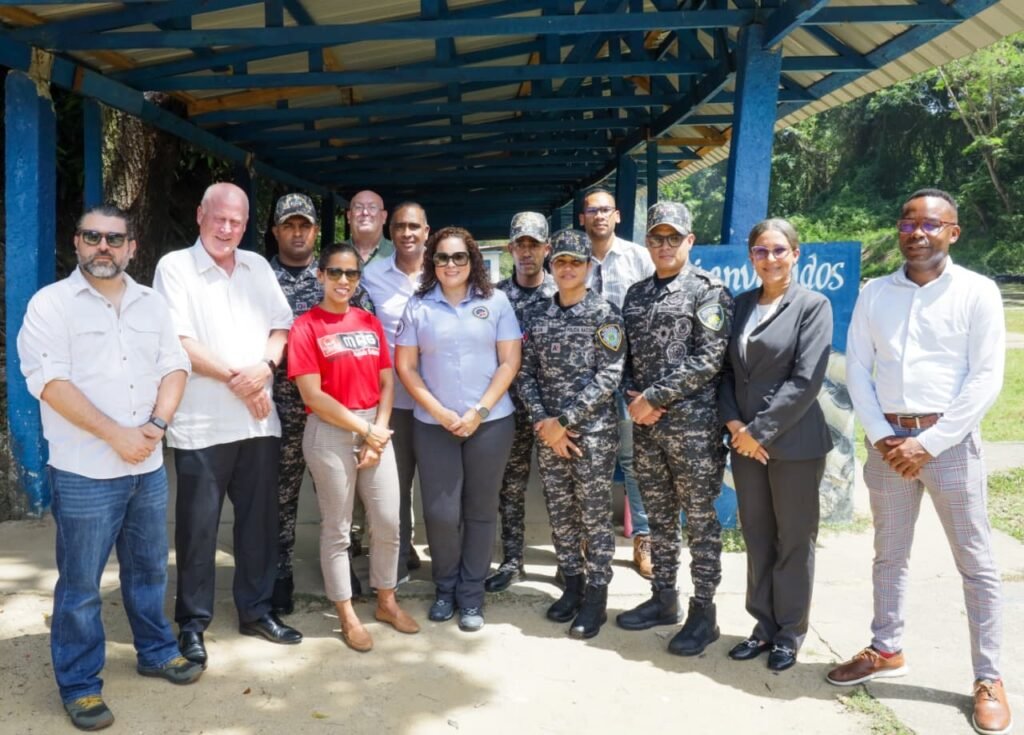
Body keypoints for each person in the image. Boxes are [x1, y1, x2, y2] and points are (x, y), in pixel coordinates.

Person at [826, 189, 1011, 735]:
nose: (916, 232)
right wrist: (885, 436)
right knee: (890, 555)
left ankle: (989, 677)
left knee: (976, 564)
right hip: (887, 446)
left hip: (950, 445)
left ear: (953, 232)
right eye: (907, 222)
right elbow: (857, 367)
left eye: (930, 224)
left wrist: (929, 442)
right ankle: (886, 648)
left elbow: (986, 378)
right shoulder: (874, 292)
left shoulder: (977, 291)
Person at [17, 205, 202, 731]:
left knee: (148, 570)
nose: (104, 246)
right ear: (76, 242)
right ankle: (79, 683)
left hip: (146, 464)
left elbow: (175, 365)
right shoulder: (50, 305)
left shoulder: (152, 304)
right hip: (84, 472)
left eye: (114, 239)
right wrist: (117, 435)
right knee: (80, 586)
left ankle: (156, 651)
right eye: (93, 237)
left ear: (131, 248)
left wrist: (157, 425)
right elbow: (49, 382)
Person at [154, 182, 302, 671]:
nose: (227, 228)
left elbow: (282, 326)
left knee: (259, 522)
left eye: (236, 221)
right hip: (201, 423)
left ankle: (256, 610)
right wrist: (239, 379)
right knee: (197, 528)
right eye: (219, 218)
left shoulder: (257, 266)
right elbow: (177, 340)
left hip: (258, 421)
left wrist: (265, 364)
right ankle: (192, 623)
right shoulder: (174, 267)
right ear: (200, 214)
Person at [289, 243, 419, 652]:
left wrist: (377, 431)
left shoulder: (368, 321)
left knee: (387, 521)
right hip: (329, 432)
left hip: (372, 428)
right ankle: (346, 613)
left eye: (352, 274)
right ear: (320, 276)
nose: (343, 280)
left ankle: (386, 600)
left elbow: (386, 382)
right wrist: (365, 430)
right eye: (335, 272)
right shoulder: (305, 326)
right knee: (338, 529)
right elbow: (313, 394)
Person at [616, 201, 732, 657]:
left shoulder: (709, 292)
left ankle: (704, 613)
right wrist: (632, 398)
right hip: (646, 428)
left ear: (689, 241)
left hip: (693, 430)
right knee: (659, 518)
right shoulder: (636, 294)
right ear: (648, 243)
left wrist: (652, 399)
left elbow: (709, 358)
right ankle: (664, 597)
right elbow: (624, 357)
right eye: (656, 237)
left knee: (700, 522)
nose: (664, 245)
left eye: (673, 237)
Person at [718, 218, 833, 672]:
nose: (770, 259)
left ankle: (789, 633)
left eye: (779, 250)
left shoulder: (812, 305)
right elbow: (727, 373)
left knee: (794, 542)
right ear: (751, 257)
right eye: (762, 251)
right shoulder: (741, 304)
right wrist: (733, 426)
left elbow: (806, 380)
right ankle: (762, 627)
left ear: (795, 254)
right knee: (758, 537)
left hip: (795, 445)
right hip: (745, 445)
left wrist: (756, 433)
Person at [395, 226, 521, 632]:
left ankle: (471, 595)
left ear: (473, 261)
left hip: (490, 423)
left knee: (480, 511)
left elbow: (509, 362)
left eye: (459, 257)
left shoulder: (496, 302)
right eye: (443, 257)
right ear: (432, 262)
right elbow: (406, 367)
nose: (451, 265)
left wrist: (478, 411)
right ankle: (444, 587)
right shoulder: (419, 306)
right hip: (434, 424)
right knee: (440, 511)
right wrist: (440, 411)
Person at [268, 193, 373, 613]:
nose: (297, 232)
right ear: (276, 230)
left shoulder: (336, 276)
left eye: (304, 225)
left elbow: (364, 336)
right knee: (280, 495)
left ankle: (342, 568)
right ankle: (279, 572)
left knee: (339, 497)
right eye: (289, 225)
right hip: (280, 409)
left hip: (332, 411)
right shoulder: (258, 277)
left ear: (315, 231)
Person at [517, 229, 625, 639]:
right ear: (551, 265)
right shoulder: (539, 316)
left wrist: (565, 421)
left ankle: (596, 596)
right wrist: (545, 422)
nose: (566, 269)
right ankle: (573, 584)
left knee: (594, 517)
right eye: (560, 261)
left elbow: (609, 376)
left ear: (588, 266)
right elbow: (525, 374)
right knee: (561, 514)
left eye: (575, 262)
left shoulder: (604, 314)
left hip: (591, 435)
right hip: (549, 435)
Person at [579, 187, 655, 578]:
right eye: (592, 211)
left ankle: (643, 538)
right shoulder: (574, 260)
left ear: (618, 215)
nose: (599, 216)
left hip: (629, 377)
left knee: (633, 460)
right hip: (586, 379)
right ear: (582, 218)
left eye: (606, 209)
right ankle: (590, 539)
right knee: (591, 459)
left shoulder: (639, 258)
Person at [485, 212, 557, 593]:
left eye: (534, 244)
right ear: (510, 248)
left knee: (559, 487)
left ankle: (569, 562)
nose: (527, 252)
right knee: (509, 487)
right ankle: (513, 560)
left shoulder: (562, 290)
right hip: (508, 408)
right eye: (520, 244)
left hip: (552, 411)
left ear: (547, 248)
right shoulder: (495, 296)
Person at [362, 202, 431, 581]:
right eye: (401, 227)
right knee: (395, 488)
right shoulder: (373, 275)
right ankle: (399, 561)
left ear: (426, 231)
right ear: (392, 233)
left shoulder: (444, 271)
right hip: (394, 402)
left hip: (438, 401)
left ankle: (446, 565)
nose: (407, 233)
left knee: (438, 486)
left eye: (414, 227)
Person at [344, 190, 394, 265]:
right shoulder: (332, 254)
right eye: (358, 207)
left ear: (384, 217)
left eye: (372, 207)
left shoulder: (399, 254)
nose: (365, 212)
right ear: (348, 216)